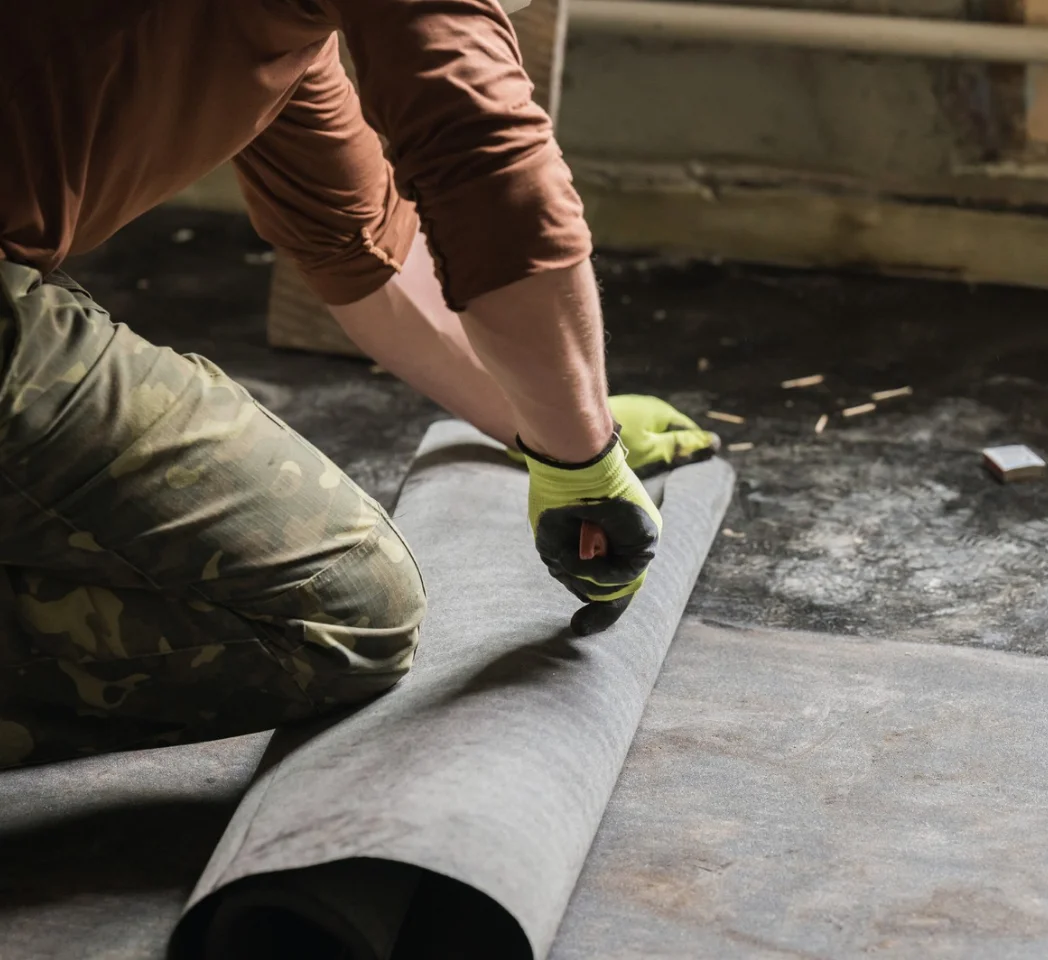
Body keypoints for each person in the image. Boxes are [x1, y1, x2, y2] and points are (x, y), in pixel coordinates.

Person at [0, 1, 719, 768]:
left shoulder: (275, 35)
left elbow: (360, 252)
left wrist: (547, 421)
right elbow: (497, 182)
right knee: (345, 610)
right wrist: (582, 457)